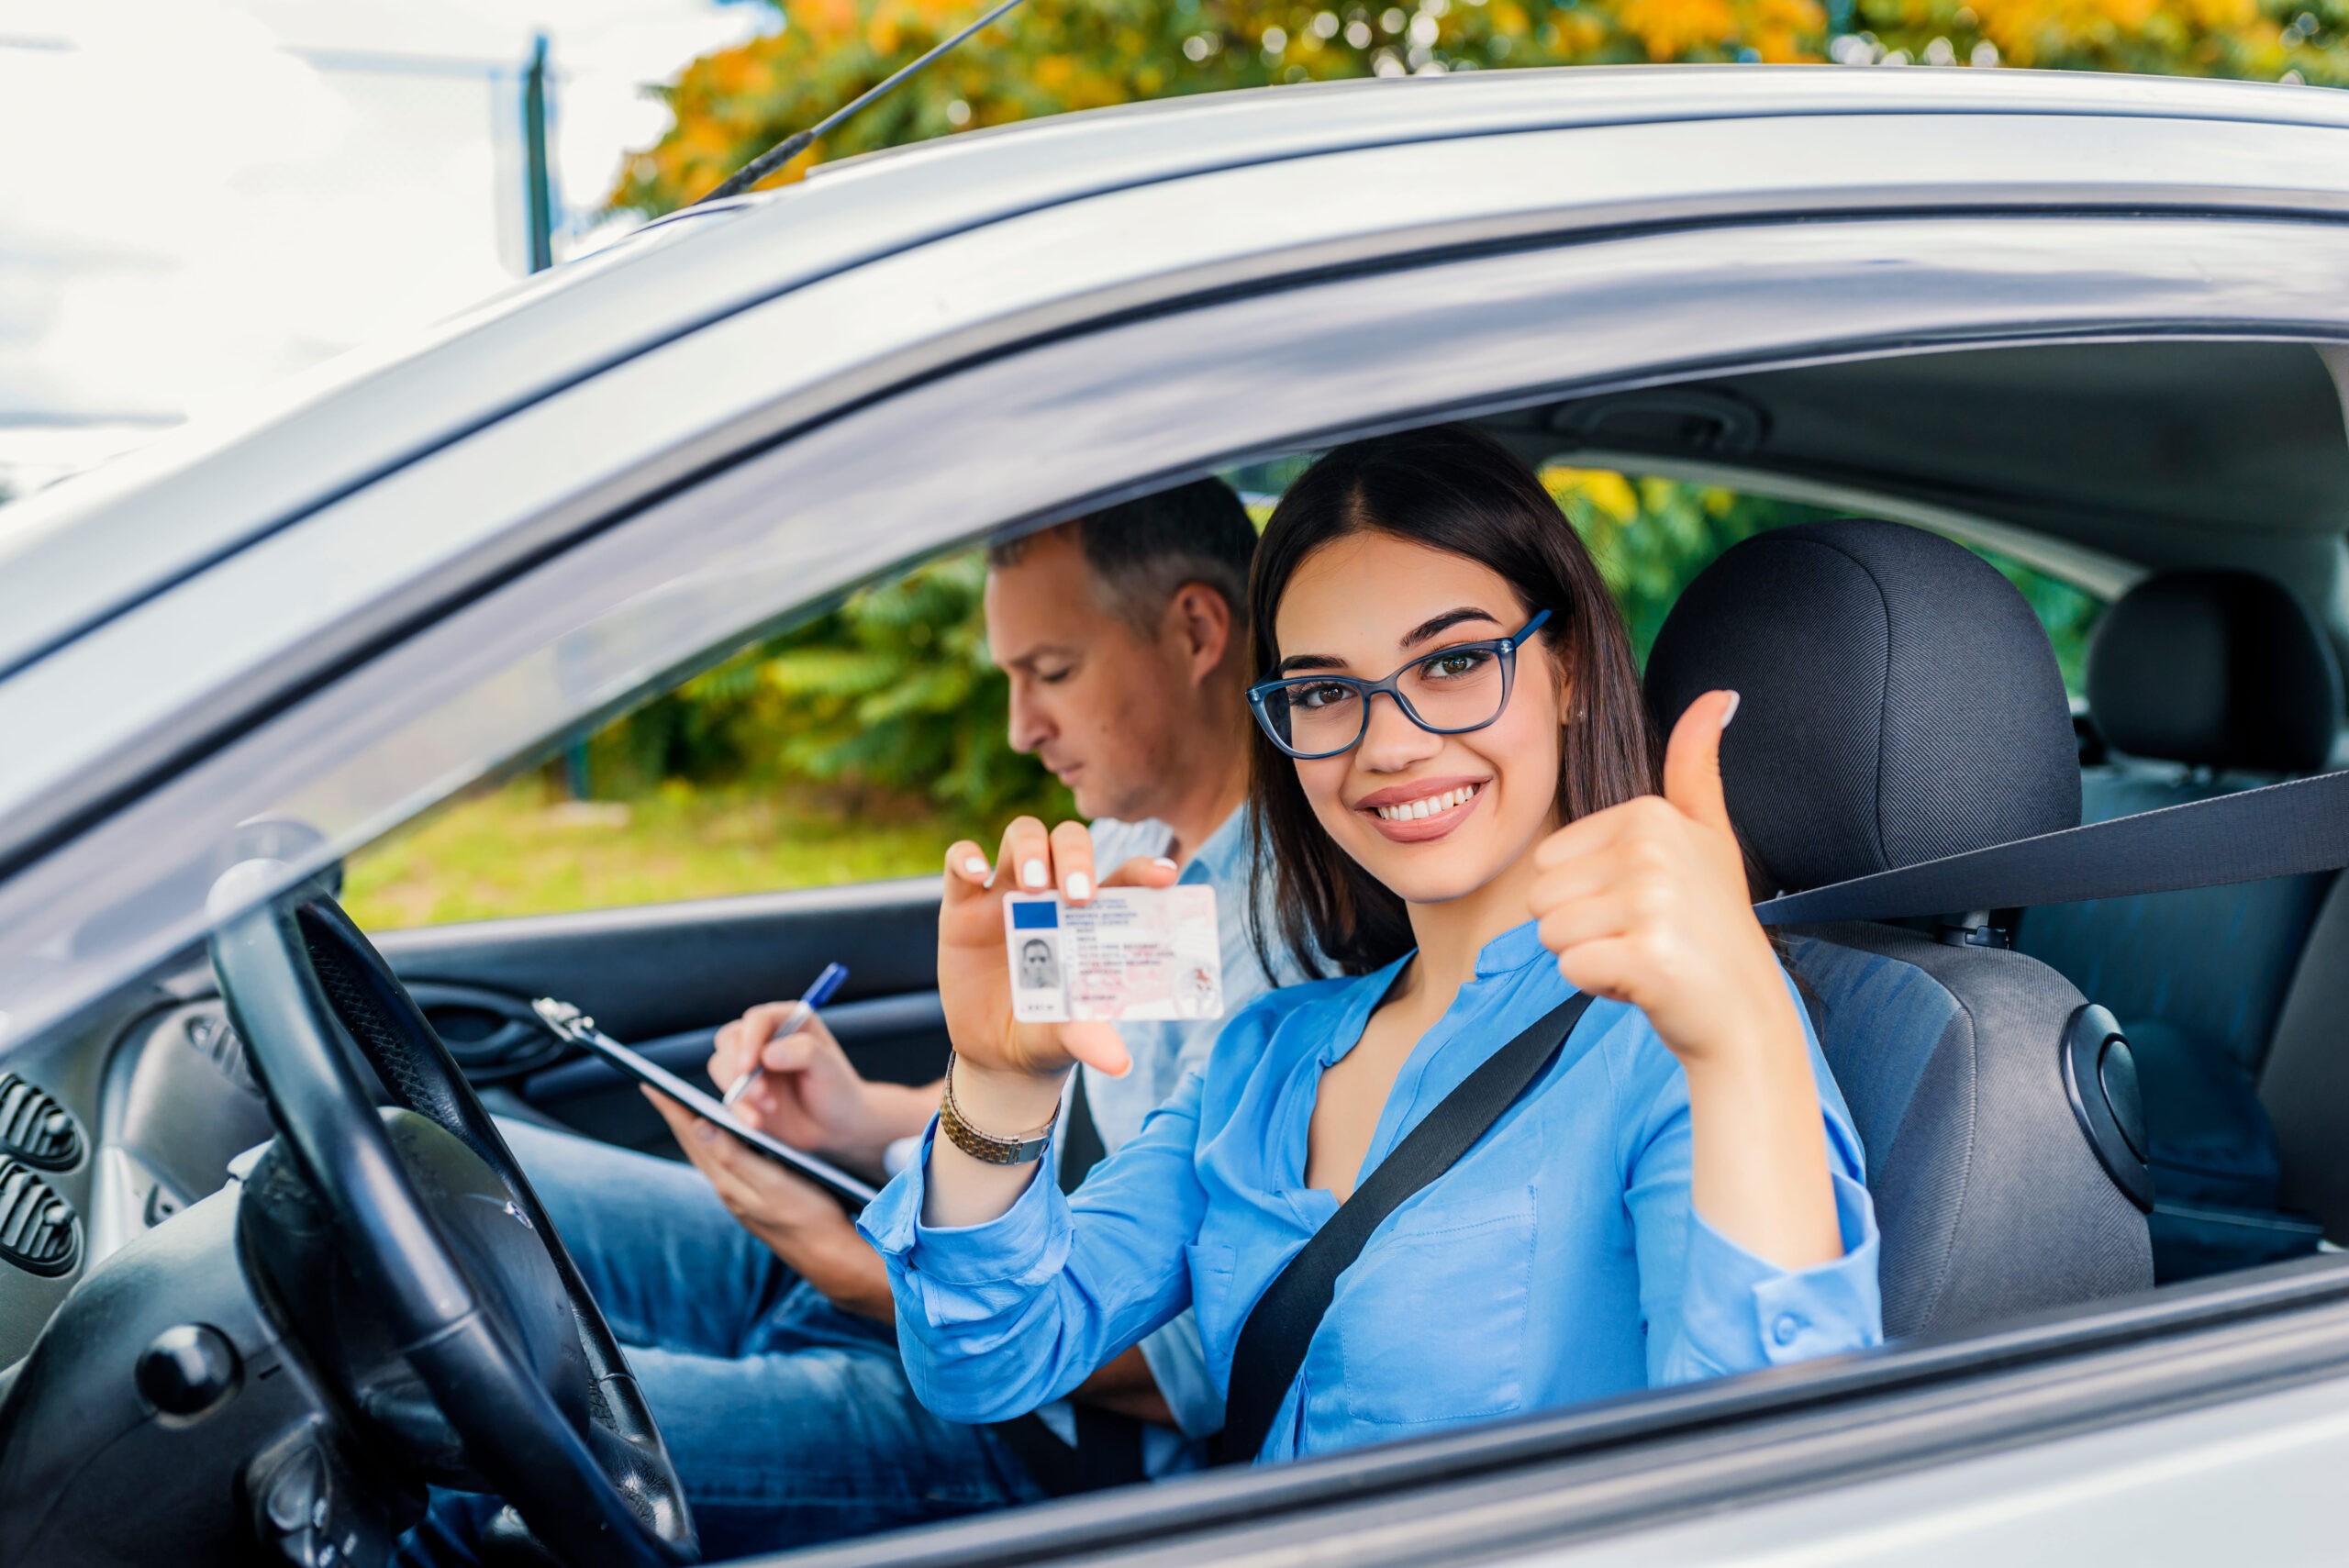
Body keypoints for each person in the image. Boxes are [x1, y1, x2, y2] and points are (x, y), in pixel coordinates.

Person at [860, 428, 1884, 1462]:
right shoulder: (1264, 1056)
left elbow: (1776, 1486)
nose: (1386, 743)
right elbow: (985, 1362)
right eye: (1322, 690)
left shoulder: (1687, 1039)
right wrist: (993, 1083)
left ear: (1566, 667)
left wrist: (1744, 1031)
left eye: (1451, 662)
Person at [402, 478, 1287, 1564]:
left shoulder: (1287, 949)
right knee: (446, 1185)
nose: (1020, 727)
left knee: (467, 1466)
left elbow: (1191, 1365)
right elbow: (1047, 1117)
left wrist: (843, 1266)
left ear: (1197, 629)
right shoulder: (1123, 849)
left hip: (1035, 1428)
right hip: (913, 1258)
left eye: (1051, 672)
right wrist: (854, 1116)